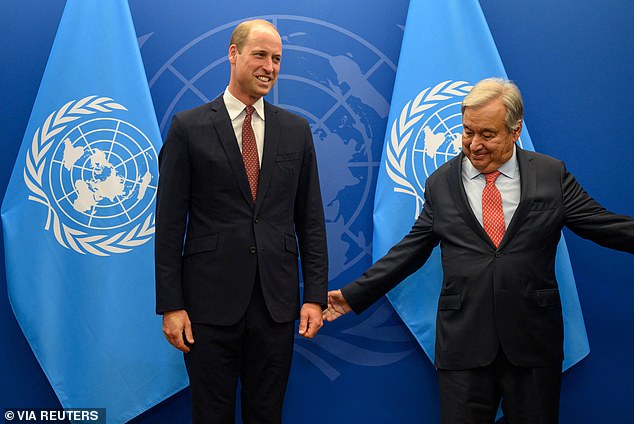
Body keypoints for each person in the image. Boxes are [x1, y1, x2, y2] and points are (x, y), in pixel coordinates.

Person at [324, 78, 634, 423]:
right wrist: (352, 296)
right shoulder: (441, 182)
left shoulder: (550, 174)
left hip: (531, 342)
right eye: (467, 132)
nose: (474, 145)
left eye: (487, 134)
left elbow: (604, 225)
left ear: (515, 131)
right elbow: (409, 251)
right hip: (464, 346)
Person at [155, 19, 328, 424]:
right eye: (260, 55)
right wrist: (172, 305)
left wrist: (314, 296)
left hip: (276, 307)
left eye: (277, 59)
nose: (270, 66)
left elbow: (311, 221)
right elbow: (167, 226)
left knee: (266, 414)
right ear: (233, 55)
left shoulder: (296, 131)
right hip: (207, 309)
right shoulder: (188, 128)